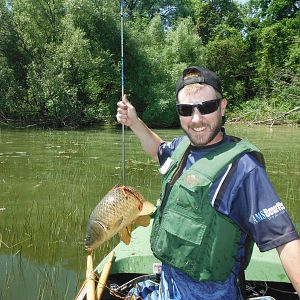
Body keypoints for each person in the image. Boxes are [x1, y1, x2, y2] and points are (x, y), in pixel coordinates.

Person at [116, 66, 300, 299]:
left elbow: (285, 241)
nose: (196, 119)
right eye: (185, 109)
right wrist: (134, 122)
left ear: (222, 106)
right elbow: (158, 151)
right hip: (168, 284)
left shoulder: (243, 168)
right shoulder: (182, 147)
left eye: (207, 107)